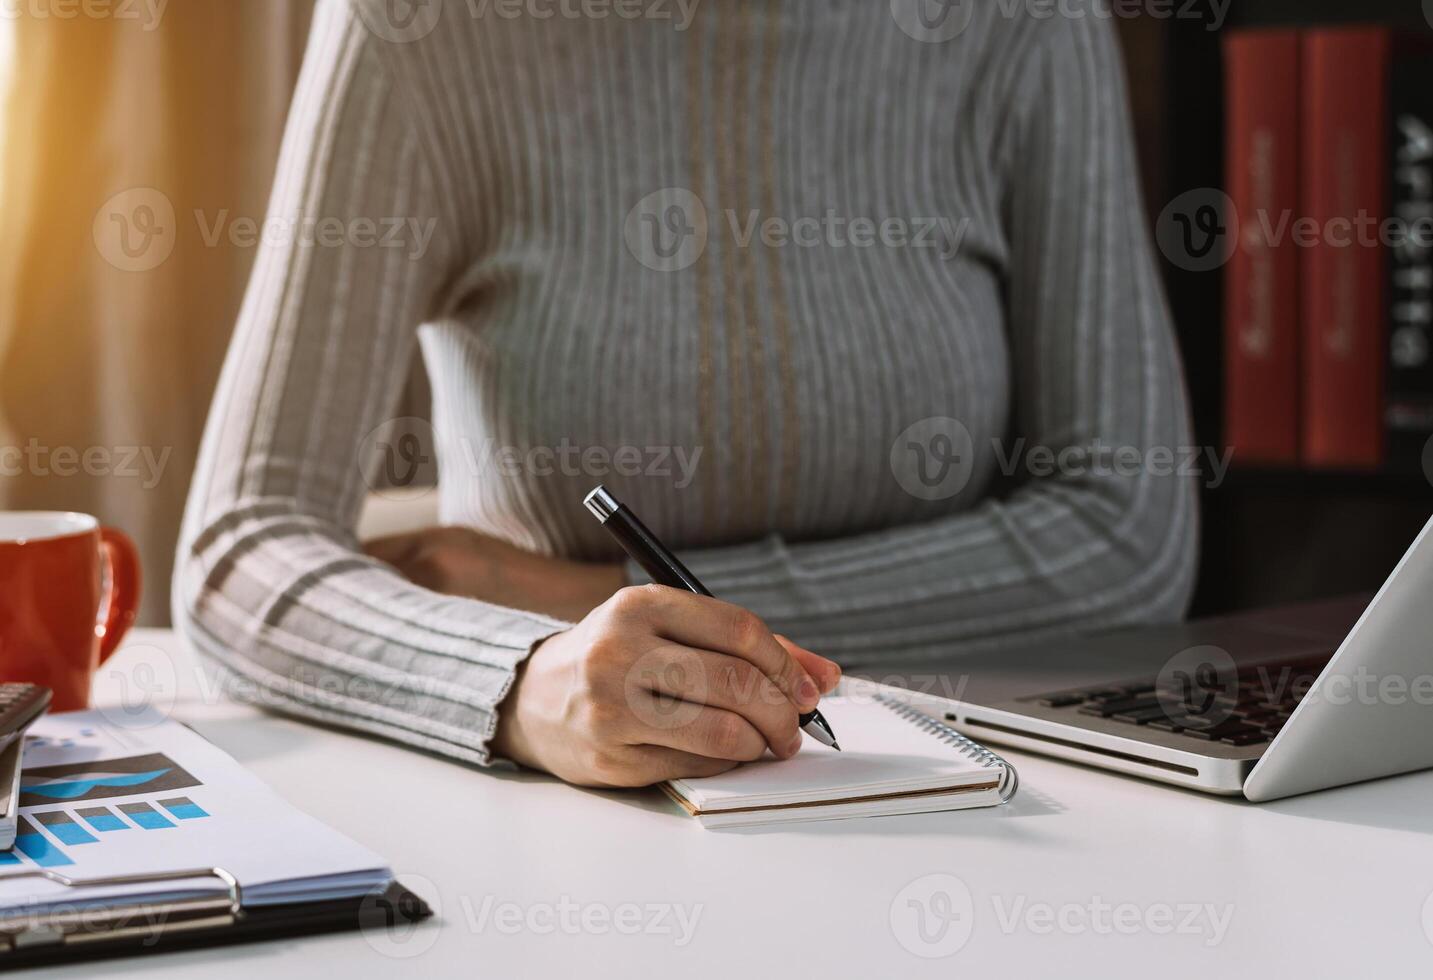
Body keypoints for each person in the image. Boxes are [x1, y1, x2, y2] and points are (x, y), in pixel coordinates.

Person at [174, 0, 1197, 788]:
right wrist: (522, 677)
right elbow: (238, 554)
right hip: (572, 838)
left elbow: (1127, 527)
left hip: (968, 797)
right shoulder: (426, 32)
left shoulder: (1020, 26)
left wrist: (589, 597)